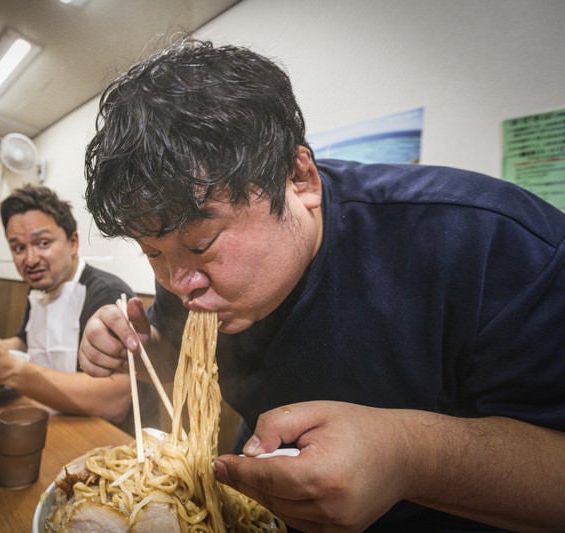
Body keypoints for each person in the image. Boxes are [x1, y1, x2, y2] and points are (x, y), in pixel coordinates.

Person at [76, 39, 565, 531]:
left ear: (298, 177)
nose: (181, 284)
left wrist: (412, 455)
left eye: (203, 244)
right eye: (152, 252)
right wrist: (139, 350)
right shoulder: (186, 271)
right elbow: (177, 360)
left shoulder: (491, 242)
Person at [0, 185, 158, 433]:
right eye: (18, 248)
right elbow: (24, 343)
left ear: (73, 242)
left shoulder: (108, 294)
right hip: (49, 418)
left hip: (100, 434)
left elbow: (116, 400)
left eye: (43, 243)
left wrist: (11, 370)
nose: (30, 260)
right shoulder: (39, 290)